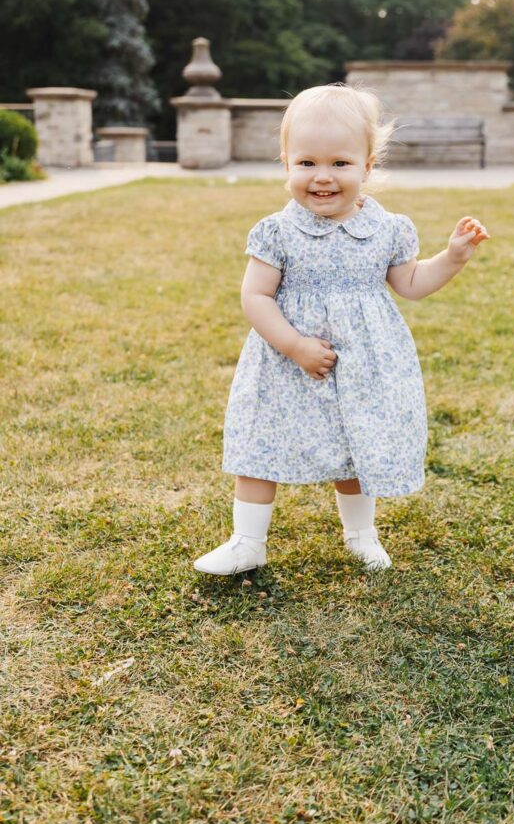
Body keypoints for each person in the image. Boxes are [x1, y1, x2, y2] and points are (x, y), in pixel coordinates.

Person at [193, 84, 490, 576]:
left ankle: (360, 536)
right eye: (306, 163)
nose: (322, 177)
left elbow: (412, 284)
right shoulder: (277, 231)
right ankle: (247, 541)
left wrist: (453, 257)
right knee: (259, 447)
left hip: (362, 364)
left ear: (368, 166)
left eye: (340, 163)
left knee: (356, 447)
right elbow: (256, 296)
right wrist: (294, 345)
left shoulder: (389, 229)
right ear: (285, 162)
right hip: (286, 365)